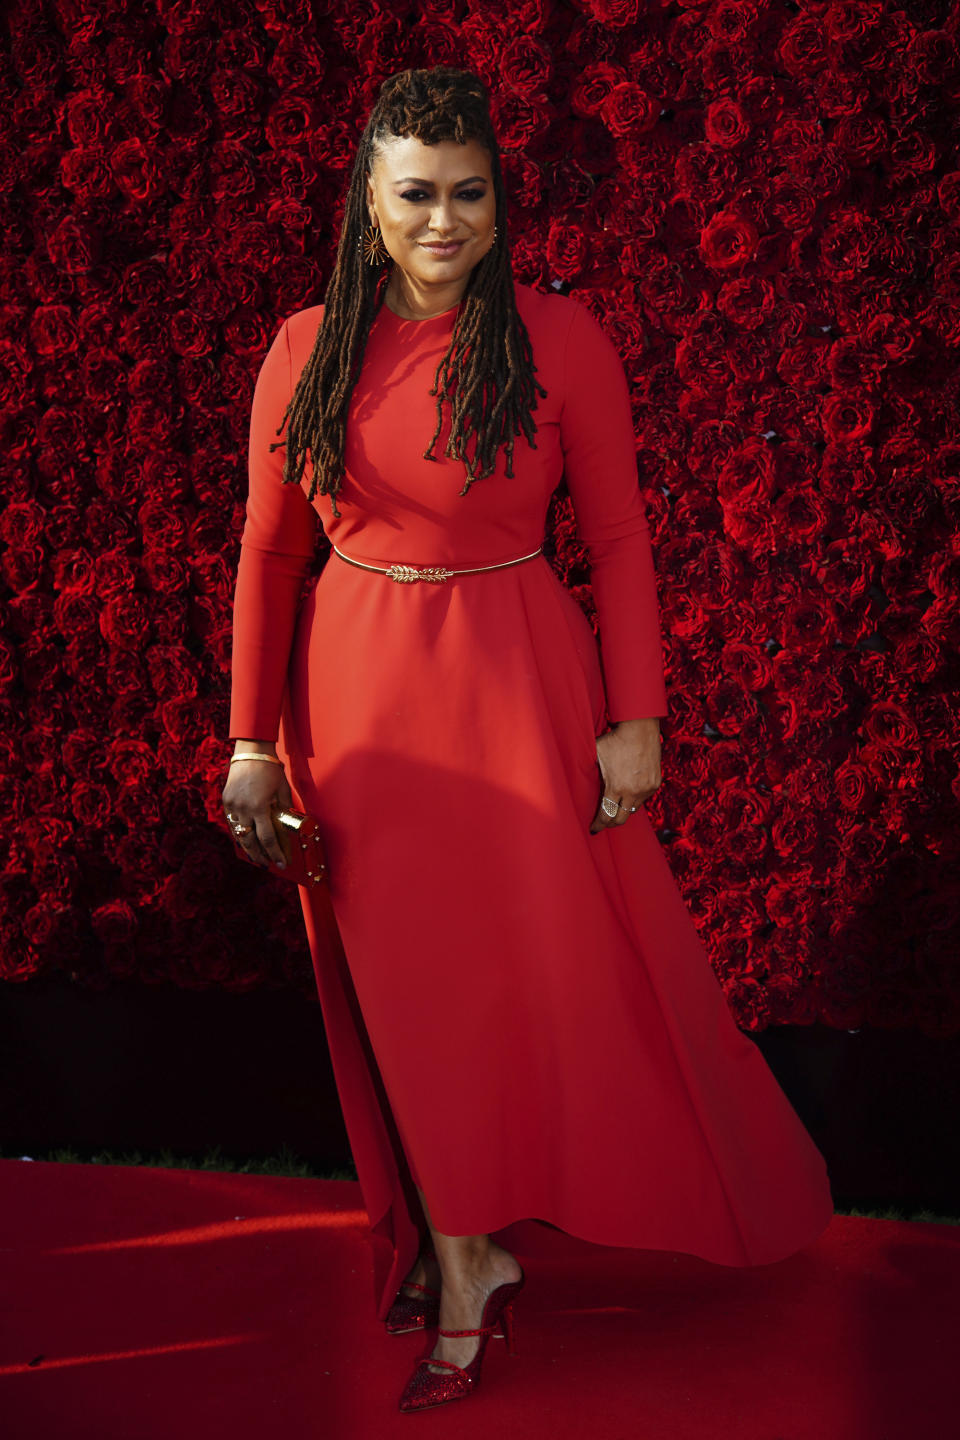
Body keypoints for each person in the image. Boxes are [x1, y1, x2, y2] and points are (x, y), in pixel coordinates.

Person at [222, 65, 834, 1414]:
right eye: (415, 196)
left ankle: (492, 1247)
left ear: (499, 199)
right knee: (411, 1000)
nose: (444, 221)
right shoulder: (304, 348)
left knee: (546, 979)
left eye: (469, 195)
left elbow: (617, 539)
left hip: (520, 688)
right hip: (359, 711)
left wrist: (639, 720)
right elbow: (268, 557)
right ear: (369, 205)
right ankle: (464, 1256)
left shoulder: (562, 341)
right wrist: (248, 745)